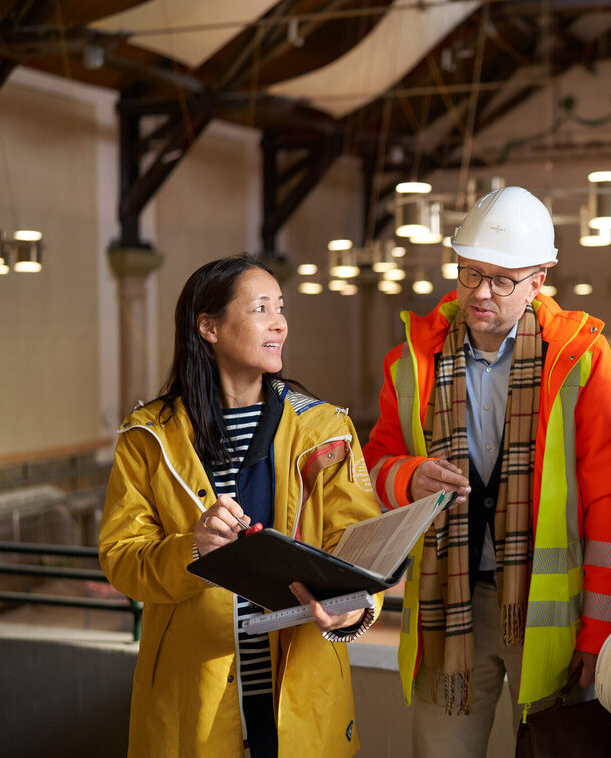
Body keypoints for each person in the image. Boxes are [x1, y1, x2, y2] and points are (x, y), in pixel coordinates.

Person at [363, 186, 611, 758]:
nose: (480, 293)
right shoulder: (413, 361)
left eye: (502, 280)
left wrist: (602, 631)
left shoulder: (580, 360)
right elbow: (374, 465)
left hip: (546, 617)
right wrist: (409, 476)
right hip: (449, 609)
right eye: (468, 273)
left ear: (539, 280)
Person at [99, 254, 383, 758]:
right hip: (194, 698)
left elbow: (360, 548)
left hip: (300, 690)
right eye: (260, 309)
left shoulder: (325, 431)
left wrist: (356, 608)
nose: (280, 323)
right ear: (208, 326)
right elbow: (122, 559)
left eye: (281, 307)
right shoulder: (147, 436)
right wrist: (193, 549)